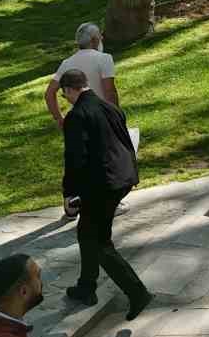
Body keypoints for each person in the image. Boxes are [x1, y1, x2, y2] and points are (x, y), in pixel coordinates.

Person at [57, 70, 152, 318]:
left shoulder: (76, 116)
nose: (64, 98)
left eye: (63, 93)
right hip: (122, 178)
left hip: (102, 185)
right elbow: (126, 142)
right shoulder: (110, 108)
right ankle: (86, 287)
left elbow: (75, 158)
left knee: (99, 242)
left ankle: (137, 292)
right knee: (87, 232)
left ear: (69, 89)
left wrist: (69, 193)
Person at [46, 23, 118, 130]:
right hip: (103, 118)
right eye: (99, 35)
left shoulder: (67, 63)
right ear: (93, 40)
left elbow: (49, 93)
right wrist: (116, 116)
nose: (102, 38)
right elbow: (109, 91)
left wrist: (59, 119)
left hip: (80, 120)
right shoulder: (104, 58)